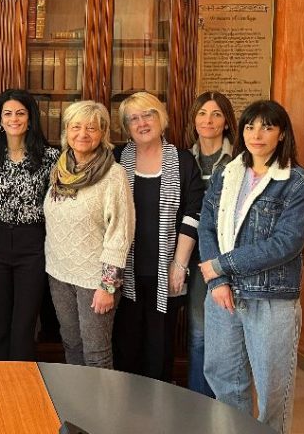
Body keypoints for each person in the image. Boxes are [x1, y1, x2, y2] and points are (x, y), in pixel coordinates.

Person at [199, 100, 304, 434]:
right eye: (250, 127)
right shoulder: (226, 173)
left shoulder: (300, 184)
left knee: (271, 391)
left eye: (267, 127)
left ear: (282, 134)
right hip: (222, 296)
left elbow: (285, 244)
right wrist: (217, 281)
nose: (257, 134)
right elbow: (207, 225)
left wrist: (221, 265)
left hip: (270, 299)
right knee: (224, 379)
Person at [111, 91, 204, 382]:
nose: (142, 123)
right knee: (125, 345)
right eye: (133, 119)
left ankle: (157, 405)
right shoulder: (116, 160)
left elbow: (193, 213)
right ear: (126, 127)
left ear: (161, 117)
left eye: (148, 115)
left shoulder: (183, 161)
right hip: (124, 272)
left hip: (166, 272)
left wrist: (179, 264)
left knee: (159, 347)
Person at [44, 101, 134, 369]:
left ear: (103, 133)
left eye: (91, 128)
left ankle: (101, 399)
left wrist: (107, 286)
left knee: (96, 353)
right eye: (76, 127)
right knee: (71, 344)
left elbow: (120, 234)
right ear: (66, 131)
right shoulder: (60, 170)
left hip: (94, 280)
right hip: (59, 274)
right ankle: (76, 397)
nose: (82, 134)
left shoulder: (114, 175)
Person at [0, 89, 58, 360]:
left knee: (24, 324)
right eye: (7, 113)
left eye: (20, 113)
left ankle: (21, 379)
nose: (14, 119)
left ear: (30, 118)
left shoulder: (50, 157)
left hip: (33, 245)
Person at [183, 91, 237, 397]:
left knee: (222, 334)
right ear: (194, 119)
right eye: (202, 113)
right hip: (189, 256)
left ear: (227, 122)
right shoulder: (182, 159)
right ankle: (198, 401)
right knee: (198, 333)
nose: (208, 120)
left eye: (216, 114)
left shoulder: (239, 160)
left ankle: (222, 403)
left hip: (226, 257)